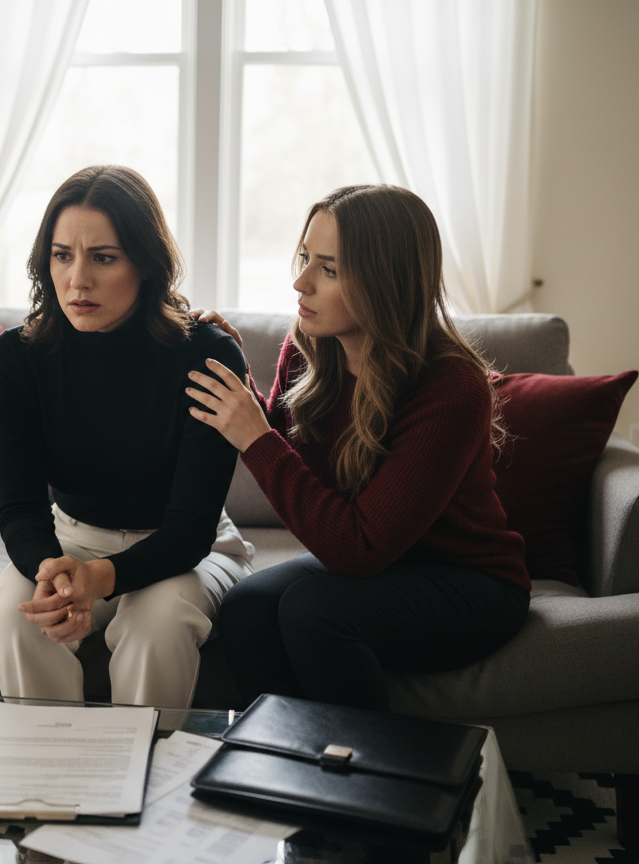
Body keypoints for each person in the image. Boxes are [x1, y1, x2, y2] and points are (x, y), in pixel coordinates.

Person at [185, 184, 530, 711]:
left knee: (312, 609)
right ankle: (284, 760)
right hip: (386, 571)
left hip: (469, 583)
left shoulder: (452, 387)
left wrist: (254, 436)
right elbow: (283, 442)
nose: (300, 283)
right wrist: (236, 374)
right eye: (304, 257)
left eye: (328, 269)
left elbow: (359, 548)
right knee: (247, 606)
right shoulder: (309, 351)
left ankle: (367, 779)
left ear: (383, 282)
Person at [0, 165, 254, 709]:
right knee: (21, 618)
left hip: (189, 549)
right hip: (72, 536)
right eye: (62, 255)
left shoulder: (208, 354)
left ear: (146, 266)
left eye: (103, 257)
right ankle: (47, 783)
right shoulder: (15, 358)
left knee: (157, 626)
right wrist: (55, 576)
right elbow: (20, 509)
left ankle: (144, 782)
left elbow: (190, 529)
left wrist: (98, 579)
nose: (77, 280)